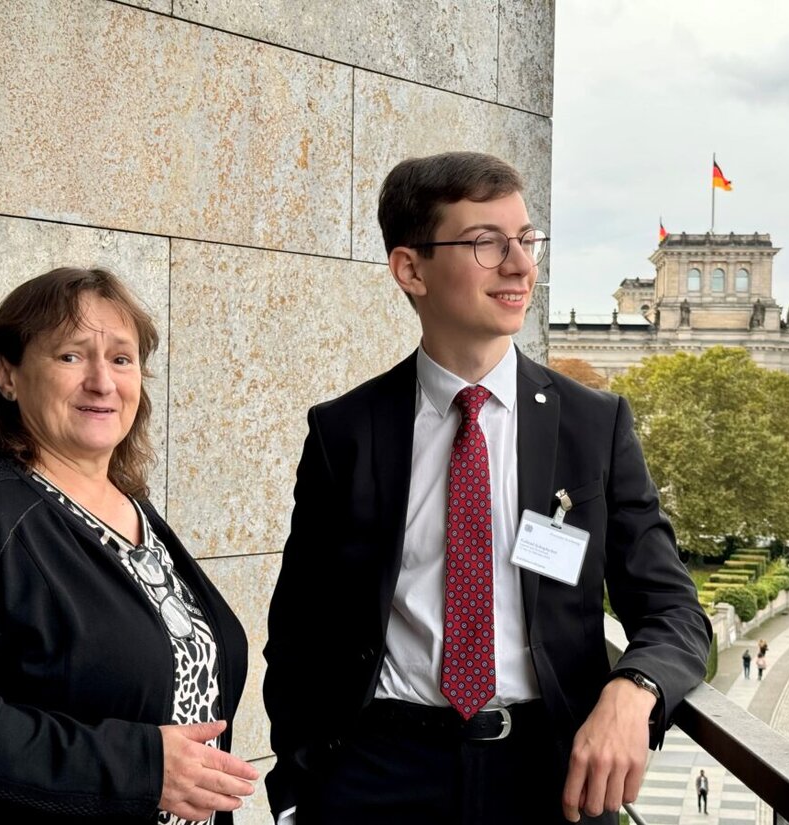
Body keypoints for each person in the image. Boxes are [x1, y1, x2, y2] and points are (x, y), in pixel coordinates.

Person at [263, 152, 712, 825]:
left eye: (526, 240)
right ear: (410, 268)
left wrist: (634, 688)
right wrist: (302, 781)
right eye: (486, 243)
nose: (521, 265)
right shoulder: (345, 431)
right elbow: (298, 628)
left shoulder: (594, 426)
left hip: (549, 779)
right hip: (376, 776)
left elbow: (675, 611)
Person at [0, 268, 258, 824]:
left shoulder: (132, 509)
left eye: (121, 359)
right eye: (72, 356)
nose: (102, 381)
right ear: (8, 374)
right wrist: (137, 768)